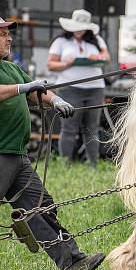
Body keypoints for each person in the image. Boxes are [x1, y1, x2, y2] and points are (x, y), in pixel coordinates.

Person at [0, 14, 105, 270]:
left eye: (9, 33)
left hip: (16, 156)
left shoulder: (11, 68)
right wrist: (23, 87)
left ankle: (71, 261)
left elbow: (37, 91)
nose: (9, 37)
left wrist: (56, 101)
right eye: (2, 33)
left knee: (42, 207)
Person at [47, 9, 111, 166]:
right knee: (69, 127)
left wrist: (98, 58)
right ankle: (65, 163)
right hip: (70, 88)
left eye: (82, 27)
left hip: (95, 88)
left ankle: (93, 163)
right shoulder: (61, 42)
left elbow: (107, 58)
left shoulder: (96, 40)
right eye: (76, 27)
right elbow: (50, 64)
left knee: (91, 127)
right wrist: (66, 63)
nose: (79, 30)